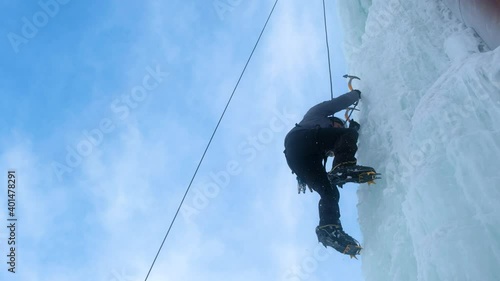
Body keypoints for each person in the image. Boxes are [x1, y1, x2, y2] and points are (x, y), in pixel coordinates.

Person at [283, 89, 365, 255]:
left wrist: (302, 177)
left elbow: (338, 147)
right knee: (346, 135)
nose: (337, 129)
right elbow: (338, 103)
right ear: (332, 121)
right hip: (299, 139)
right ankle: (343, 167)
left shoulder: (321, 145)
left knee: (329, 192)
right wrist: (356, 94)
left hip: (299, 159)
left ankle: (329, 229)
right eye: (338, 125)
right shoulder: (316, 115)